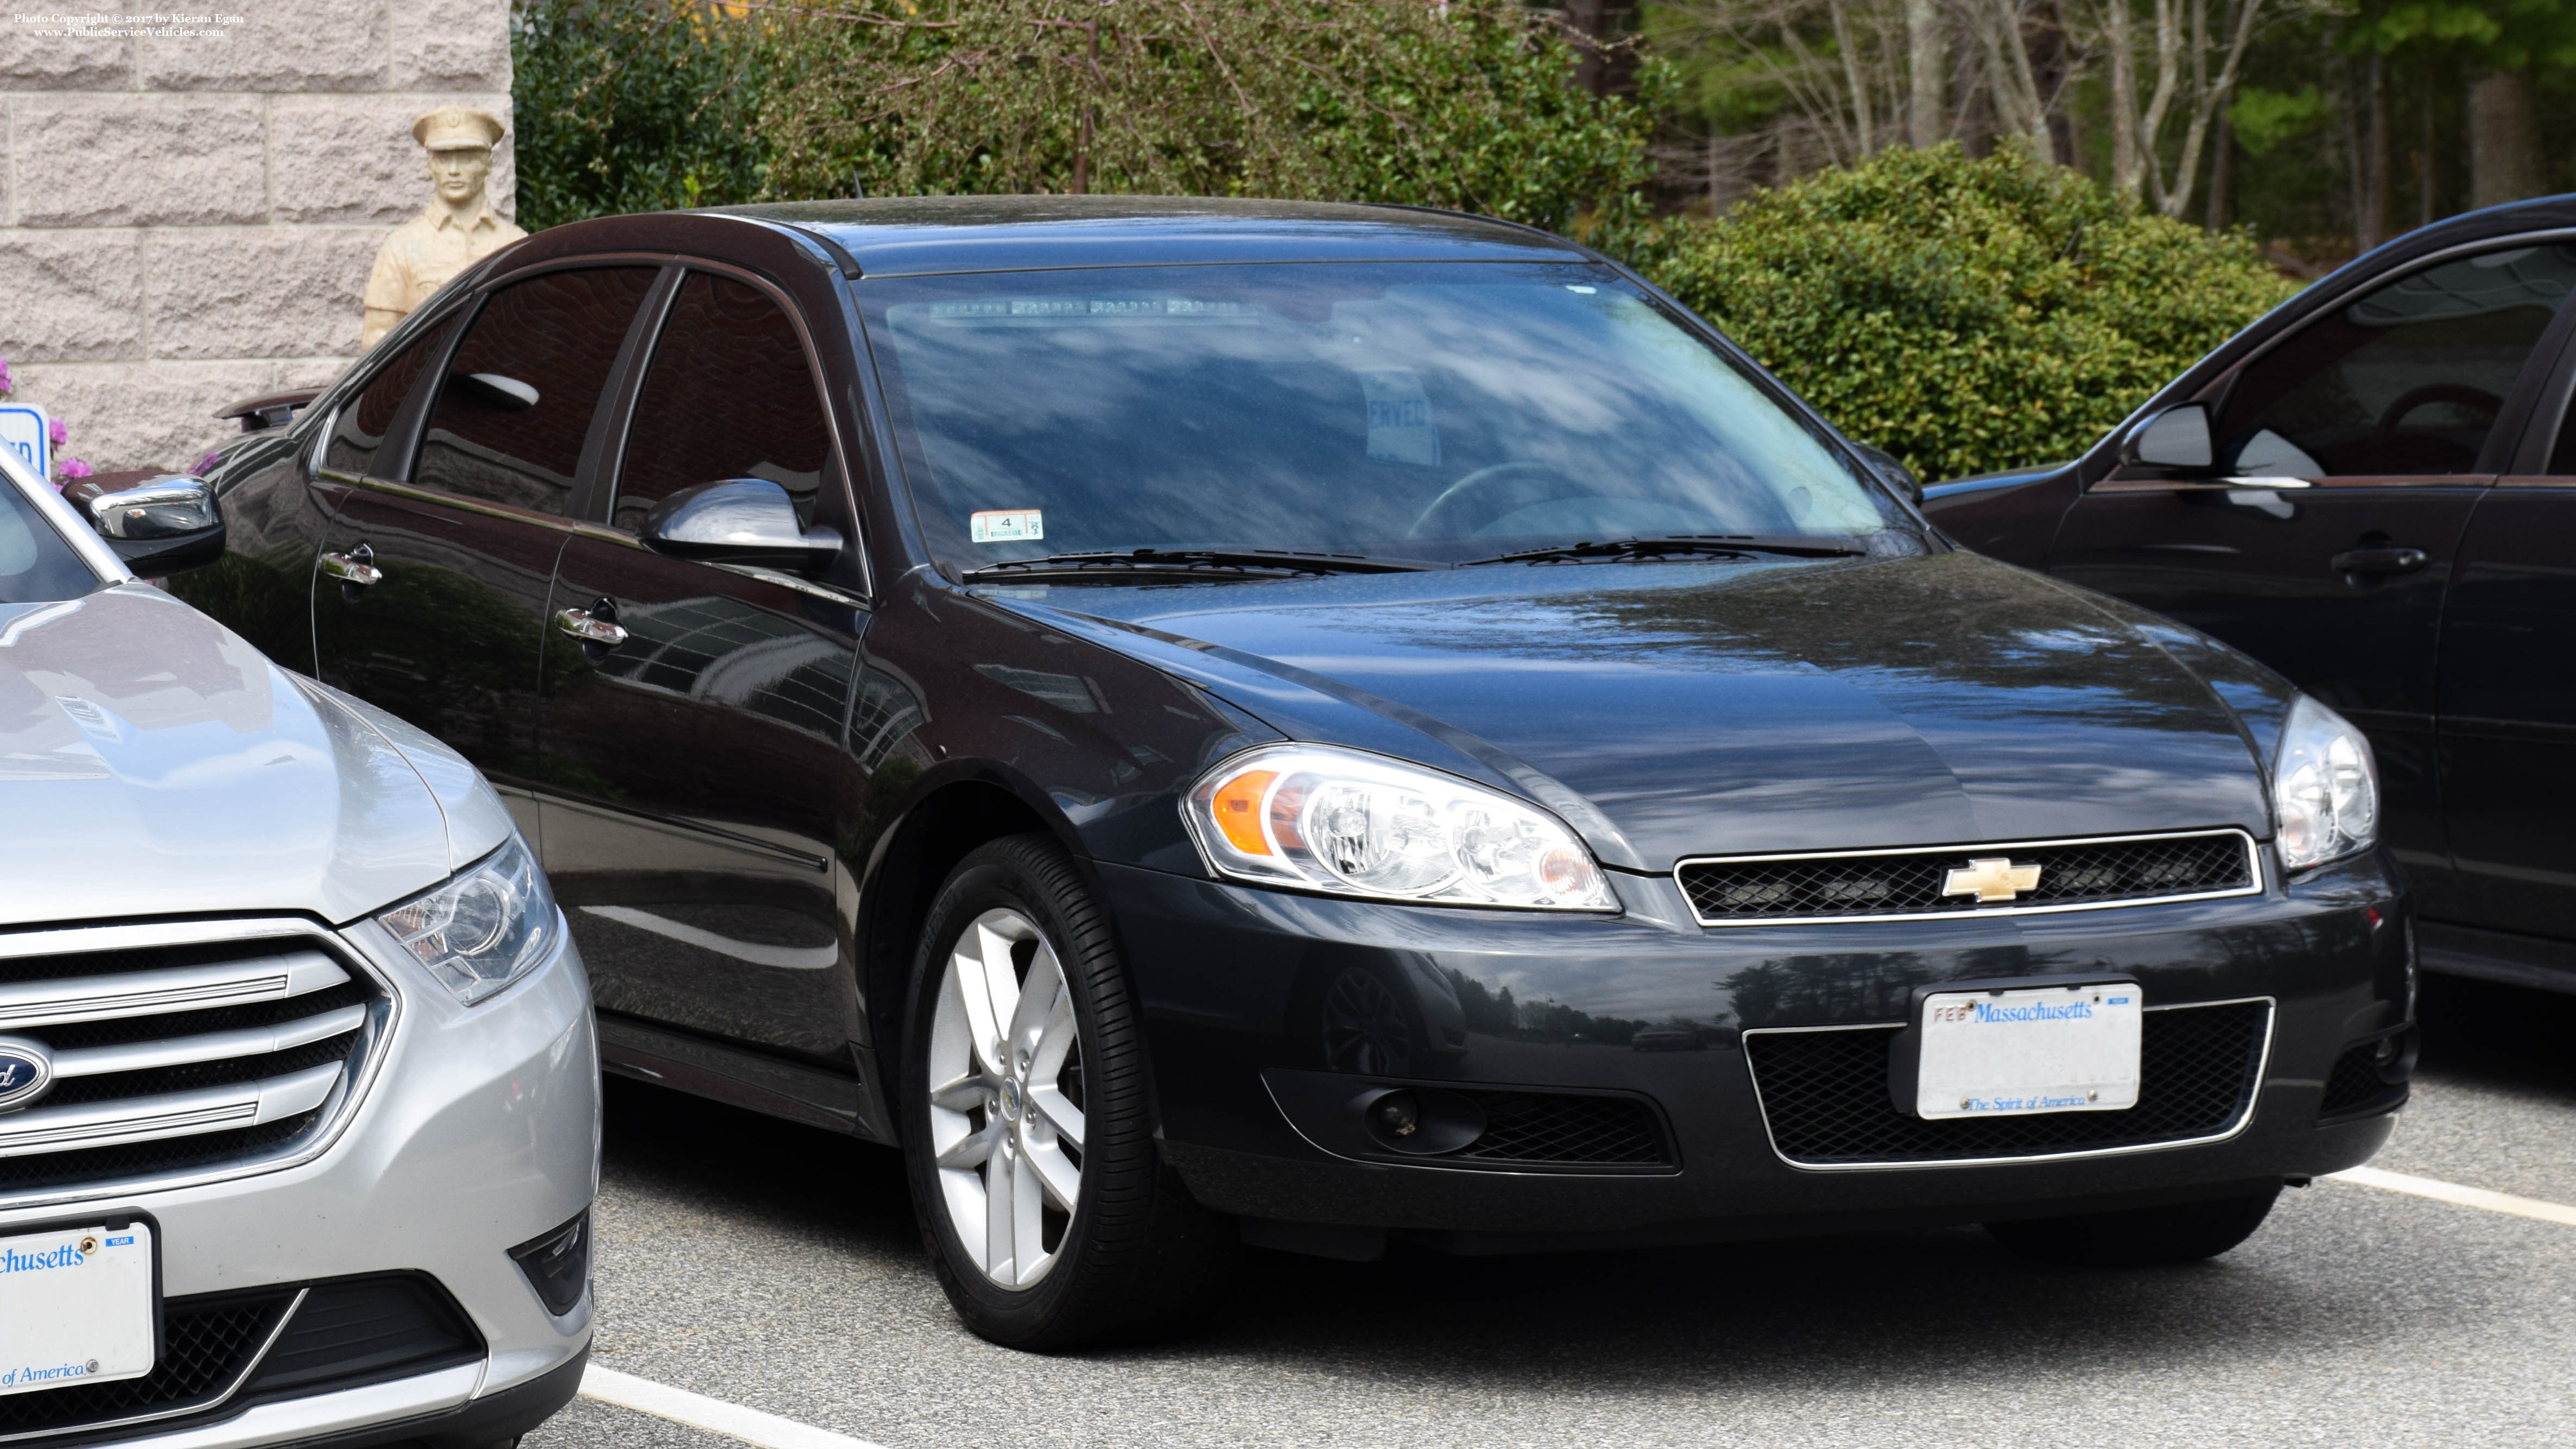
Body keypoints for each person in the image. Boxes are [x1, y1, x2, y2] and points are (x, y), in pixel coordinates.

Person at [360, 107, 527, 348]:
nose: (454, 170)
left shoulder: (515, 244)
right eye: (443, 158)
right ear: (430, 166)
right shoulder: (401, 247)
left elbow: (530, 334)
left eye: (467, 157)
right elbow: (375, 343)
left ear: (488, 165)